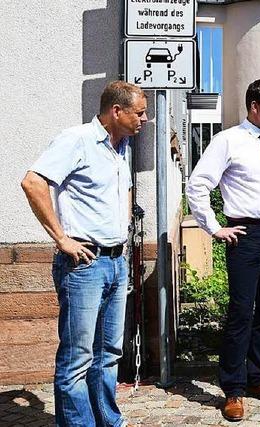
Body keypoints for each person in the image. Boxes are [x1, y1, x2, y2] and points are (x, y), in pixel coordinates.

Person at [21, 81, 148, 426]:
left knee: (108, 355)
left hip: (115, 261)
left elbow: (122, 192)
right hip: (84, 264)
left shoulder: (122, 147)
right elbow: (33, 183)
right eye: (139, 113)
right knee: (77, 358)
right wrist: (62, 239)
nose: (145, 119)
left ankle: (108, 421)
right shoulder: (76, 140)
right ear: (116, 111)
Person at [185, 79, 260, 422]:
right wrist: (214, 227)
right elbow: (198, 185)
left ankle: (258, 378)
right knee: (240, 313)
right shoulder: (228, 141)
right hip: (245, 235)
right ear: (254, 106)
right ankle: (233, 390)